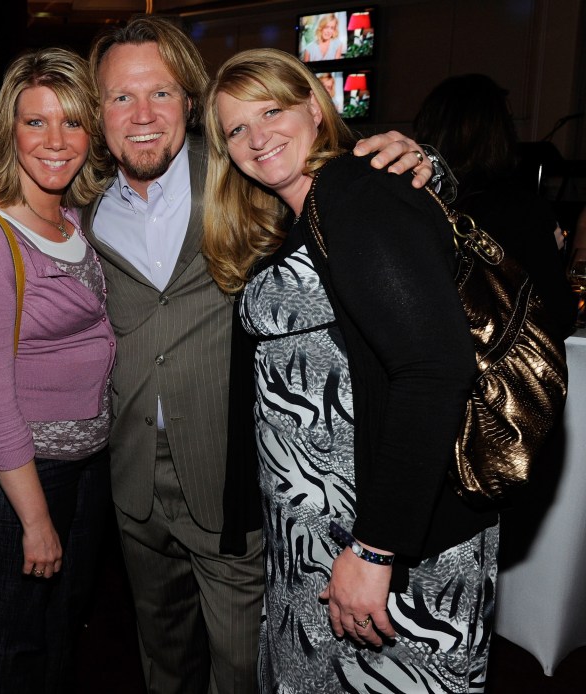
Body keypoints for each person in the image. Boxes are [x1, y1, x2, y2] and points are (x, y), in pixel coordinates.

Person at [81, 15, 435, 694]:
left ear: (190, 98)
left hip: (229, 472)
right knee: (161, 655)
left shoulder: (247, 173)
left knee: (243, 665)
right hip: (130, 475)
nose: (143, 114)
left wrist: (419, 163)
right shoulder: (87, 206)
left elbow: (348, 195)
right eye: (121, 98)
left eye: (160, 92)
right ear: (99, 114)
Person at [203, 47, 500, 692]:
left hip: (386, 547)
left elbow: (433, 371)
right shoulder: (300, 217)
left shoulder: (356, 192)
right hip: (320, 546)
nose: (257, 137)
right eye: (235, 128)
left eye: (272, 110)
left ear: (315, 106)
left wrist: (375, 549)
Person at [0, 47, 115, 694]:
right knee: (16, 639)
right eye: (36, 122)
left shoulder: (66, 215)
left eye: (72, 122)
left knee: (63, 627)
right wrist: (35, 520)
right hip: (25, 476)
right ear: (7, 130)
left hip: (88, 462)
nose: (56, 140)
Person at [414, 73, 577, 338]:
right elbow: (558, 315)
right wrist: (549, 250)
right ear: (499, 133)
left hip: (428, 357)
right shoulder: (519, 208)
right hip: (488, 370)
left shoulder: (414, 199)